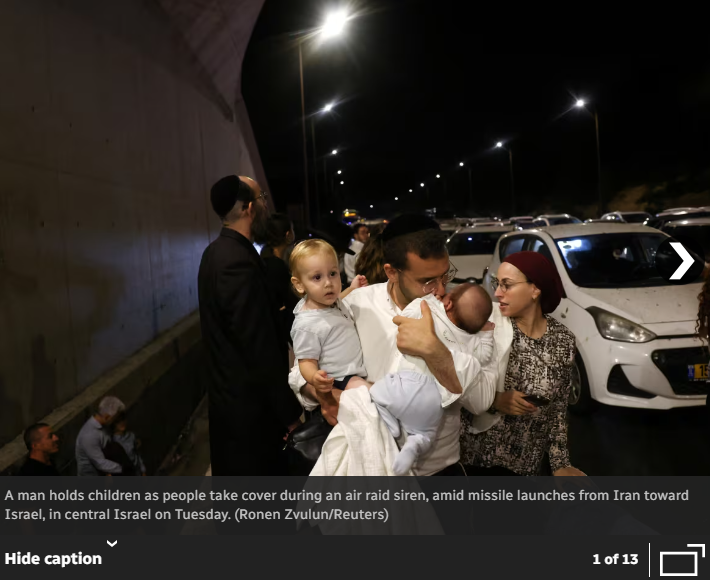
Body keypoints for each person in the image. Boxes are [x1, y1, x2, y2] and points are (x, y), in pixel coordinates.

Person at [291, 214, 498, 476]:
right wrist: (326, 396)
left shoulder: (463, 311)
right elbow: (299, 371)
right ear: (391, 272)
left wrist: (435, 351)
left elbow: (481, 402)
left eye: (445, 276)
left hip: (436, 470)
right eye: (427, 281)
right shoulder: (356, 305)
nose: (440, 289)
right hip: (367, 466)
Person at [198, 175, 302, 475]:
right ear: (249, 208)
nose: (266, 205)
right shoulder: (236, 261)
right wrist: (289, 415)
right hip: (249, 417)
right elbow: (258, 347)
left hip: (234, 409)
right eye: (262, 198)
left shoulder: (217, 252)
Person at [460, 251, 585, 477]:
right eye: (497, 284)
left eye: (506, 285)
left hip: (526, 466)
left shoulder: (562, 340)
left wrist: (560, 463)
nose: (497, 293)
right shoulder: (486, 326)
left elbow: (557, 410)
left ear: (535, 289)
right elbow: (457, 383)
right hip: (477, 460)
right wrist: (495, 400)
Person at [369, 283, 496, 475]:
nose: (441, 290)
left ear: (448, 304)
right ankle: (416, 442)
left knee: (374, 392)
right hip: (433, 403)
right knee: (424, 434)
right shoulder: (473, 343)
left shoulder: (429, 311)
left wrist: (428, 299)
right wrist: (486, 334)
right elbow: (485, 356)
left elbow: (407, 316)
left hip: (405, 387)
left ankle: (389, 423)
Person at [289, 238, 370, 399]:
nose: (328, 283)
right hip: (339, 378)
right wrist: (314, 378)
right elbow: (306, 361)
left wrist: (352, 288)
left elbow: (339, 299)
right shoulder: (307, 324)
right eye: (317, 277)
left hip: (351, 373)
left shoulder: (326, 302)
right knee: (373, 396)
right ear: (299, 284)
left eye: (333, 274)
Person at [261, 213, 299, 344]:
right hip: (277, 332)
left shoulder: (265, 259)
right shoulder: (277, 266)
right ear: (288, 235)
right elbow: (289, 301)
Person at [75, 396, 125, 476]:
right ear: (107, 417)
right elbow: (100, 463)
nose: (115, 421)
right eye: (115, 418)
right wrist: (125, 468)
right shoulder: (89, 435)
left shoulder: (103, 426)